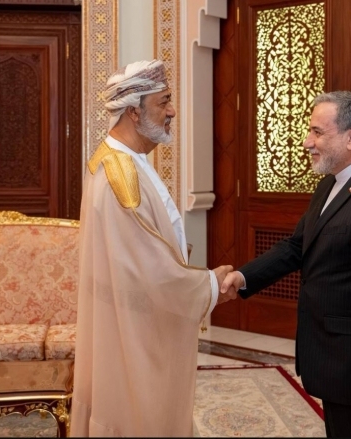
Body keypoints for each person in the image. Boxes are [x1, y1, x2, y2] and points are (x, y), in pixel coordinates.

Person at [221, 91, 351, 438]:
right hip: (333, 359)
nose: (307, 142)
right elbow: (298, 246)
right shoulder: (332, 183)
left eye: (317, 132)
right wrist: (243, 276)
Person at [71, 59, 234, 437]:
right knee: (139, 413)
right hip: (137, 328)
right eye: (164, 102)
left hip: (133, 316)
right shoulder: (120, 175)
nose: (172, 111)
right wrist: (211, 285)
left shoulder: (121, 159)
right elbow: (151, 270)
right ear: (133, 111)